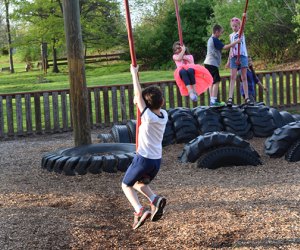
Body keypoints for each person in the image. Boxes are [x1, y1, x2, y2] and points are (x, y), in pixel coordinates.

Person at [122, 64, 168, 230]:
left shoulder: (147, 116)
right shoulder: (164, 116)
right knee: (138, 183)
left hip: (143, 159)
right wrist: (139, 101)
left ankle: (139, 210)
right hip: (156, 161)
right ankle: (154, 200)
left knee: (125, 185)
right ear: (162, 102)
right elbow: (141, 100)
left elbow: (138, 95)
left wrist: (134, 74)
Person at [204, 24, 241, 106]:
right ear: (216, 32)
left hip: (207, 63)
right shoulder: (214, 39)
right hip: (211, 63)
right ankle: (213, 101)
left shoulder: (210, 39)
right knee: (216, 81)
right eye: (220, 32)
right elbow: (225, 47)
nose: (221, 34)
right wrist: (236, 42)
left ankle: (212, 100)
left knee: (211, 81)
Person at [226, 15, 252, 106]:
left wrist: (244, 18)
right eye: (233, 26)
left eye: (236, 26)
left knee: (243, 77)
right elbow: (231, 48)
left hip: (242, 56)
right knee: (233, 77)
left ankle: (247, 97)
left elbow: (243, 25)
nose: (234, 28)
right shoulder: (231, 36)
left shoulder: (241, 33)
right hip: (234, 57)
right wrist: (228, 60)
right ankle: (230, 97)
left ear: (239, 26)